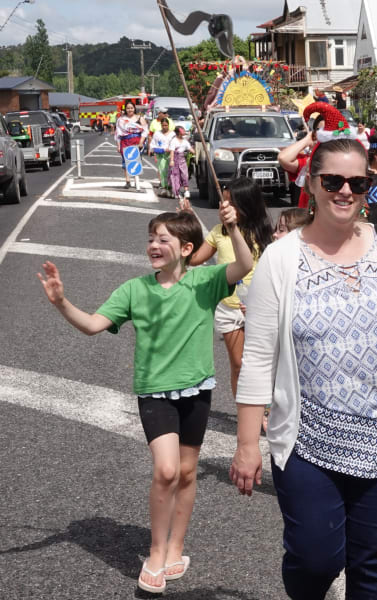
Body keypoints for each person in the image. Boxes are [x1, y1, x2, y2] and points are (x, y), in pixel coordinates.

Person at [231, 137, 377, 600]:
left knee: (375, 563)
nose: (345, 191)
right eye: (332, 181)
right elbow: (257, 356)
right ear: (311, 183)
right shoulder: (281, 258)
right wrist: (246, 443)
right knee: (315, 560)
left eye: (357, 182)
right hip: (308, 440)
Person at [38, 206, 253, 594]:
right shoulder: (134, 289)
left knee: (188, 473)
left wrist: (233, 226)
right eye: (151, 238)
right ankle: (155, 555)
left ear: (187, 248)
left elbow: (245, 262)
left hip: (197, 390)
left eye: (163, 239)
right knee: (167, 470)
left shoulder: (205, 281)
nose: (153, 245)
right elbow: (91, 326)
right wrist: (60, 302)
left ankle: (176, 547)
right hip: (154, 394)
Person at [185, 177, 272, 399]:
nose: (224, 208)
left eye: (230, 203)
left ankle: (266, 408)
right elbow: (194, 259)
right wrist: (189, 223)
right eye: (223, 202)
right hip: (229, 308)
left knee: (265, 363)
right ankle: (244, 410)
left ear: (247, 204)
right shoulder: (218, 232)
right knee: (239, 364)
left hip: (261, 308)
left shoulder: (266, 233)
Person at [115, 100, 148, 189]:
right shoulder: (121, 120)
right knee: (125, 161)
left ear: (134, 109)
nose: (130, 110)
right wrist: (118, 145)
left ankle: (136, 181)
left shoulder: (140, 118)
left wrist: (141, 142)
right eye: (128, 108)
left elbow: (145, 131)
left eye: (131, 108)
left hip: (137, 141)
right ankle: (127, 181)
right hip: (125, 141)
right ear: (125, 109)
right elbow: (118, 133)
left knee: (136, 160)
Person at [150, 118, 176, 197]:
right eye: (163, 125)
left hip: (170, 156)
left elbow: (176, 144)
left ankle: (171, 189)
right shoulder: (157, 134)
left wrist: (170, 149)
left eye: (166, 125)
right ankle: (164, 188)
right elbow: (153, 145)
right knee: (162, 172)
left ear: (169, 125)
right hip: (160, 155)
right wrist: (159, 150)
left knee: (171, 172)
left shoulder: (173, 134)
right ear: (161, 125)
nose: (164, 127)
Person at [167, 125, 192, 199]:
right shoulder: (174, 141)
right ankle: (176, 192)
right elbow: (172, 151)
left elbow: (190, 148)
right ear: (178, 133)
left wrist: (196, 152)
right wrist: (171, 160)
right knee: (175, 176)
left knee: (185, 175)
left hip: (182, 160)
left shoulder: (185, 141)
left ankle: (186, 190)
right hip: (175, 159)